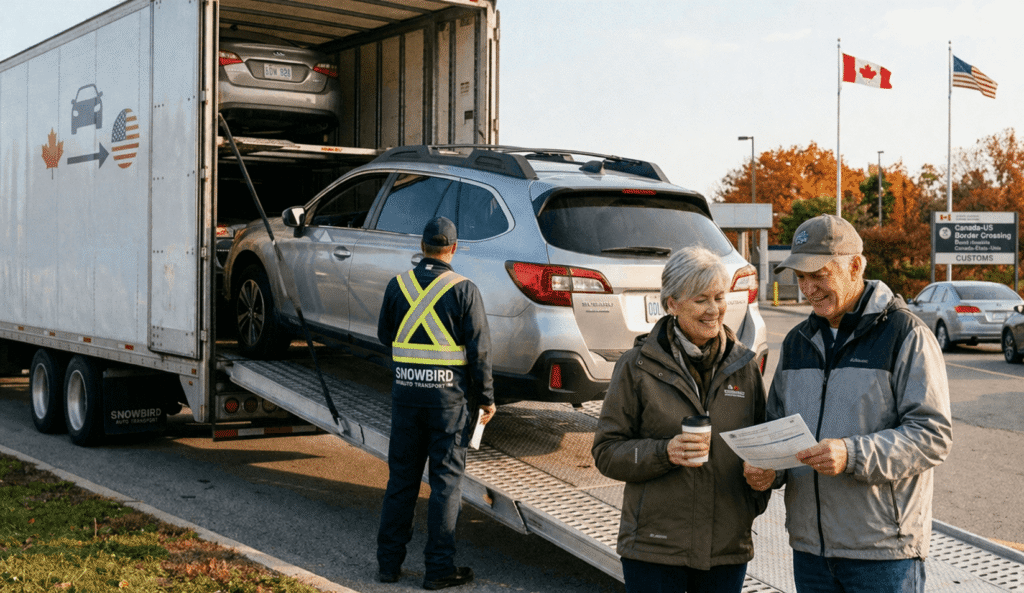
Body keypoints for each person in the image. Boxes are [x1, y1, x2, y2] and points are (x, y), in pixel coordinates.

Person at [744, 214, 953, 593]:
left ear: (855, 265)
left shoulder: (906, 335)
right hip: (810, 553)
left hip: (882, 554)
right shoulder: (796, 342)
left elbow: (931, 435)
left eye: (818, 275)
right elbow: (778, 427)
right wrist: (768, 471)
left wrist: (852, 453)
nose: (807, 288)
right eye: (800, 277)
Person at [592, 246, 771, 593]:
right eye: (700, 299)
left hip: (725, 549)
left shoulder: (745, 368)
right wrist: (665, 452)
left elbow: (765, 448)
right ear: (671, 303)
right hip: (655, 549)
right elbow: (606, 451)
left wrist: (765, 481)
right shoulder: (635, 366)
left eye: (719, 297)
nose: (713, 310)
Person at [376, 216, 496, 590]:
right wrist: (487, 400)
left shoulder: (398, 286)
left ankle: (388, 566)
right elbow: (480, 353)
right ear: (454, 249)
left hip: (406, 399)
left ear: (422, 245)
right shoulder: (464, 289)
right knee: (444, 486)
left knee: (401, 482)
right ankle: (439, 569)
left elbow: (385, 335)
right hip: (448, 405)